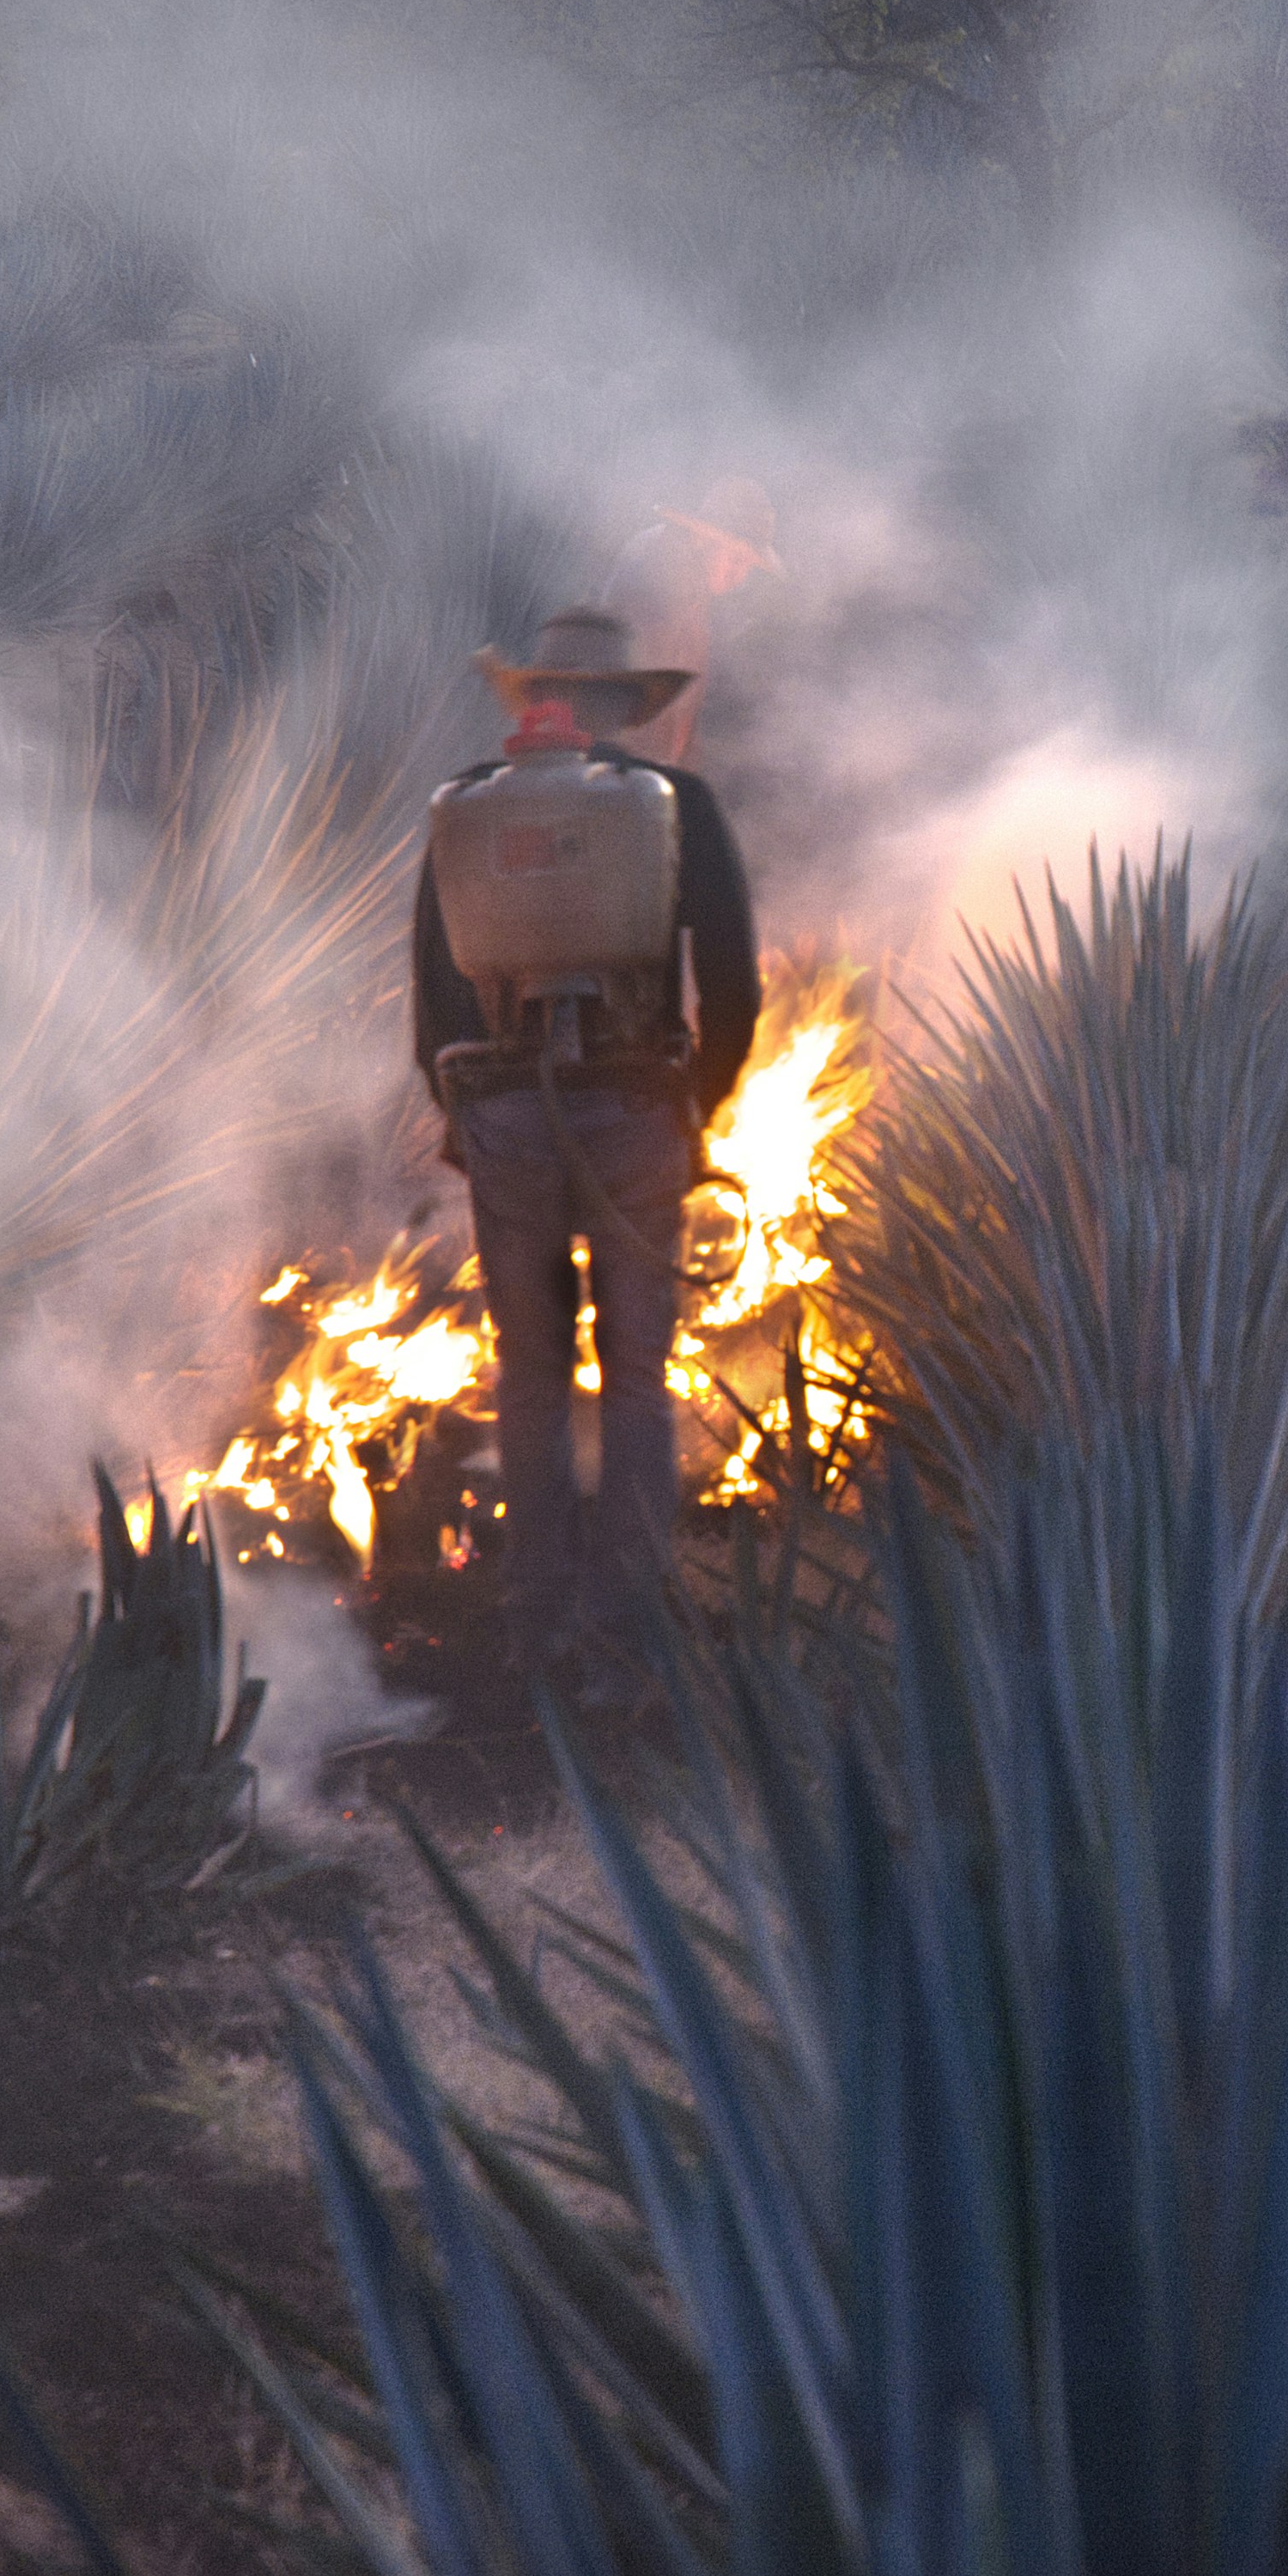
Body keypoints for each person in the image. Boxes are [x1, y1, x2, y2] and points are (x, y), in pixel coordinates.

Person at [410, 606, 761, 1682]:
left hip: (508, 1112)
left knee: (530, 1368)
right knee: (638, 1372)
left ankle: (536, 1605)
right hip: (637, 1106)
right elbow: (735, 986)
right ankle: (631, 1607)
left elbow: (433, 997)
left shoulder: (465, 811)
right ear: (624, 709)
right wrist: (692, 1100)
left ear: (534, 704)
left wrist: (467, 1113)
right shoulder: (676, 806)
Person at [598, 476, 784, 767]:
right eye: (735, 559)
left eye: (748, 565)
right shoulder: (662, 573)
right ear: (702, 538)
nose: (740, 576)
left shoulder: (693, 590)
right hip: (621, 770)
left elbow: (681, 706)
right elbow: (642, 696)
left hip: (639, 769)